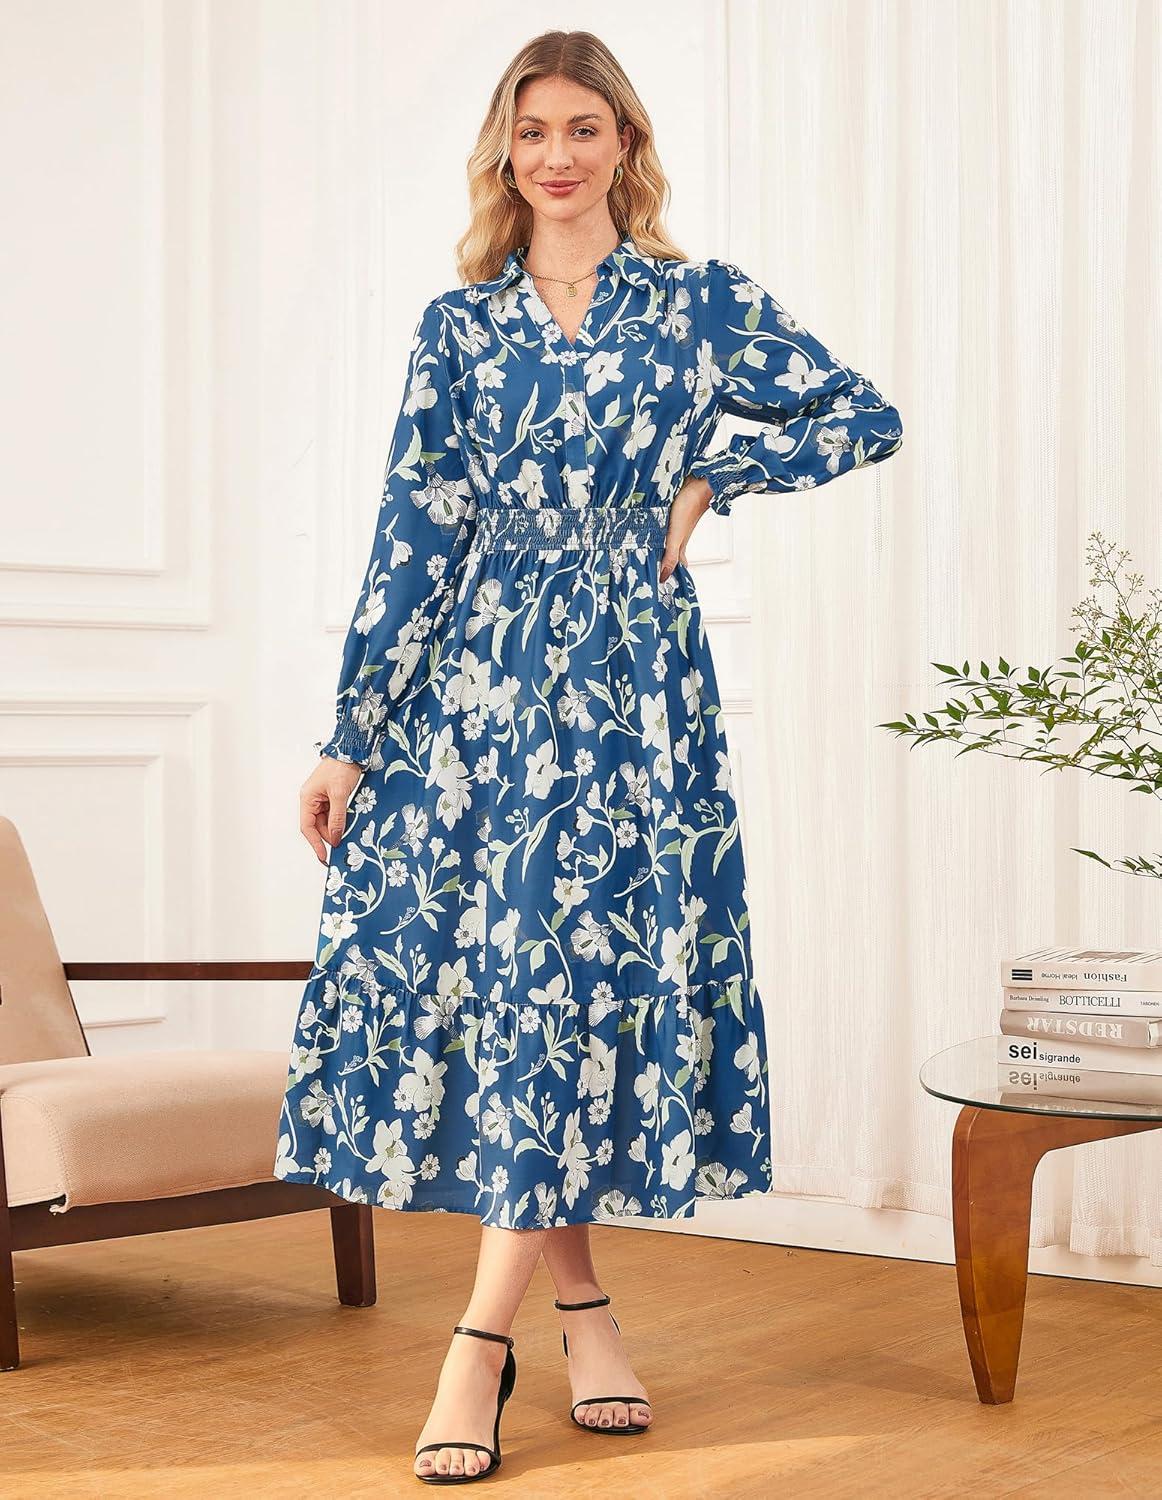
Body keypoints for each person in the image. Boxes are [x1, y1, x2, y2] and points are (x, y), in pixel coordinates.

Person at [275, 27, 903, 1486]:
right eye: (532, 130)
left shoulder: (699, 304)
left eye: (582, 128)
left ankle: (474, 1344)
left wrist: (715, 473)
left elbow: (860, 415)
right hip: (475, 691)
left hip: (630, 688)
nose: (555, 155)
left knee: (572, 982)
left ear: (626, 143)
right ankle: (580, 1312)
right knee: (520, 994)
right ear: (505, 153)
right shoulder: (460, 325)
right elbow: (413, 533)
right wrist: (352, 737)